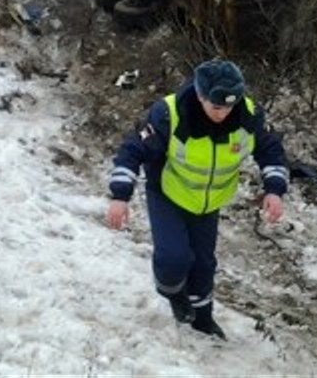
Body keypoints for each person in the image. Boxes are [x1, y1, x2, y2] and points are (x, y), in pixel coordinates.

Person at [106, 59, 288, 339]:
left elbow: (270, 150)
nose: (224, 113)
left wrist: (274, 190)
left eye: (229, 106)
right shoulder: (169, 114)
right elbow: (132, 150)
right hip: (168, 193)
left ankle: (203, 318)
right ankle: (174, 294)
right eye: (217, 106)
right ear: (201, 96)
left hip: (210, 201)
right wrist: (120, 196)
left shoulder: (249, 115)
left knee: (203, 264)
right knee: (174, 258)